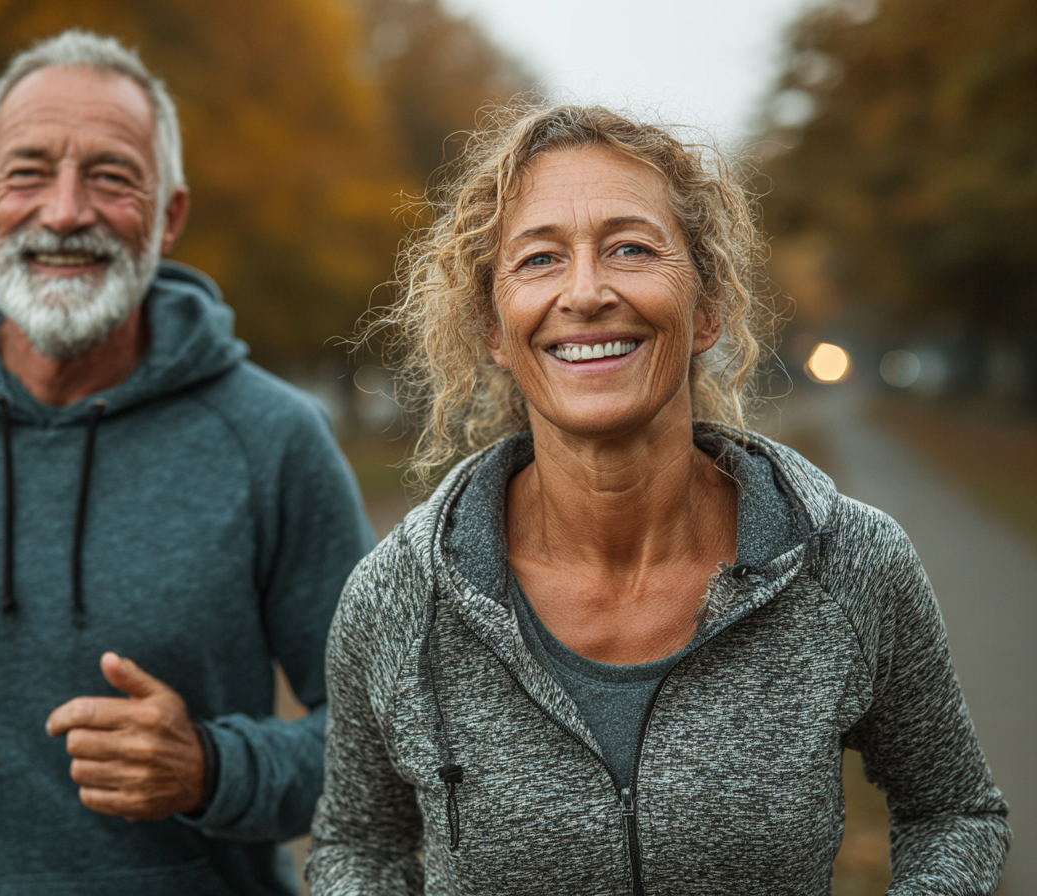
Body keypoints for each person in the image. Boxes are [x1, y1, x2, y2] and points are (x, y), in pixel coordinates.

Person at [307, 103, 1010, 894]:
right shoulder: (401, 594)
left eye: (631, 249)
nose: (586, 291)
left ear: (707, 307)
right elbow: (357, 846)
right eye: (538, 259)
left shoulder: (849, 563)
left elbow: (953, 811)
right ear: (494, 330)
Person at [0, 30, 373, 896]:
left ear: (169, 217)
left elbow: (378, 736)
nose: (64, 211)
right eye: (28, 172)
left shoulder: (273, 437)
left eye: (112, 176)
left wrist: (210, 767)